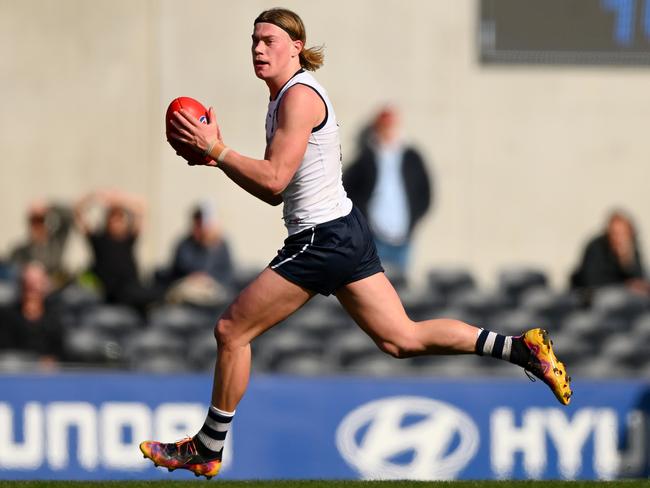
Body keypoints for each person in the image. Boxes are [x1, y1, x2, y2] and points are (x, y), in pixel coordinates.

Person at [140, 8, 572, 479]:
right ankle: (520, 348)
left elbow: (275, 183)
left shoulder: (298, 98)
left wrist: (218, 150)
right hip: (344, 229)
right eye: (254, 41)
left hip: (321, 238)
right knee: (401, 338)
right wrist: (218, 156)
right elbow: (273, 185)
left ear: (296, 47)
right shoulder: (285, 97)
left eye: (269, 40)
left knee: (231, 331)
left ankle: (207, 447)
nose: (259, 48)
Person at [343, 106, 431, 277]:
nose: (387, 132)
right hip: (375, 237)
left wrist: (413, 220)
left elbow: (425, 193)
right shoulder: (366, 157)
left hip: (403, 236)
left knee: (400, 285)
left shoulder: (412, 157)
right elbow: (349, 192)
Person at [74, 189, 160, 313]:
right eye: (113, 218)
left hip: (133, 288)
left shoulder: (129, 239)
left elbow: (142, 207)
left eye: (120, 218)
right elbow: (77, 210)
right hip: (111, 291)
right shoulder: (99, 239)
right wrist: (96, 196)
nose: (117, 223)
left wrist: (120, 199)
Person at [571, 209, 650, 303]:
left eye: (622, 233)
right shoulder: (595, 247)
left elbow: (639, 281)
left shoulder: (631, 248)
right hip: (593, 301)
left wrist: (626, 261)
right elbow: (592, 282)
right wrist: (624, 286)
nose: (618, 238)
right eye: (614, 233)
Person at [162, 203, 235, 305]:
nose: (200, 228)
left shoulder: (220, 245)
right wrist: (195, 278)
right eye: (198, 223)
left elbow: (227, 275)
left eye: (203, 224)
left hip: (213, 293)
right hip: (188, 291)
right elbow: (180, 270)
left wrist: (211, 246)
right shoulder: (184, 244)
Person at [0, 261, 65, 366]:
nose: (32, 288)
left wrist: (52, 360)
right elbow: (6, 353)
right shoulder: (7, 315)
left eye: (36, 283)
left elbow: (62, 351)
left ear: (44, 285)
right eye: (27, 283)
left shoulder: (55, 314)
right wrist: (36, 362)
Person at [9, 200, 73, 288]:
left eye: (41, 221)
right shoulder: (21, 250)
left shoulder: (56, 242)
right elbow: (11, 271)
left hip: (55, 290)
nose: (38, 226)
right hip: (31, 292)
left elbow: (68, 217)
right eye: (34, 222)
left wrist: (49, 207)